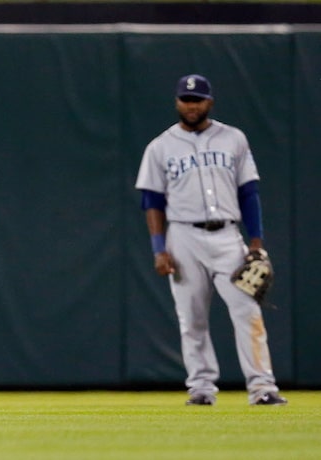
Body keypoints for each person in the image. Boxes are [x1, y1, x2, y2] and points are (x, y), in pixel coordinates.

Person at [135, 74, 287, 406]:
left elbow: (249, 193)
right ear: (177, 102)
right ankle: (201, 389)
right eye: (186, 100)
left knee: (248, 311)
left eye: (198, 99)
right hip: (183, 237)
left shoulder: (233, 139)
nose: (191, 105)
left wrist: (256, 243)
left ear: (210, 102)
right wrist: (159, 249)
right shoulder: (160, 147)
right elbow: (152, 202)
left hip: (227, 236)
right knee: (191, 318)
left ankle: (262, 388)